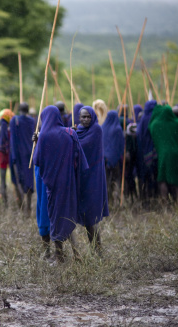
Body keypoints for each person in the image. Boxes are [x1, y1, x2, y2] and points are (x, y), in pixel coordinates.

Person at [33, 106, 88, 262]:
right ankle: (77, 254)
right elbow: (79, 157)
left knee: (55, 216)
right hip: (68, 182)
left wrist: (37, 142)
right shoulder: (69, 133)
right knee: (68, 215)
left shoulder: (43, 137)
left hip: (52, 184)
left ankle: (59, 255)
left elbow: (37, 161)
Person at [77, 107, 108, 253]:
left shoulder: (96, 130)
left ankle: (98, 249)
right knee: (86, 216)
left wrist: (70, 136)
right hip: (83, 177)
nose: (86, 120)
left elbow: (80, 146)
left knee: (91, 216)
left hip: (93, 178)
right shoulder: (78, 131)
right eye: (83, 117)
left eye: (88, 117)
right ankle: (95, 248)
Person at [148, 105, 178, 202]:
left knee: (163, 179)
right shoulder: (177, 123)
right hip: (177, 155)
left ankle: (165, 203)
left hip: (164, 155)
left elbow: (150, 127)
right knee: (176, 179)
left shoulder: (156, 125)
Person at [10, 103, 35, 215]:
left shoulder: (14, 120)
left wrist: (14, 156)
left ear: (19, 109)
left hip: (18, 155)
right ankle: (27, 207)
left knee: (18, 179)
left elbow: (13, 141)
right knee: (29, 179)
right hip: (29, 154)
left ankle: (23, 206)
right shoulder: (32, 121)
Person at [136, 100, 158, 204]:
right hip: (154, 151)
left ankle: (145, 198)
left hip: (142, 151)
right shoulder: (154, 118)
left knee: (144, 176)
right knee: (154, 175)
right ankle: (154, 197)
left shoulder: (143, 119)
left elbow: (139, 135)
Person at [102, 110, 124, 203]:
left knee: (107, 180)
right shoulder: (118, 129)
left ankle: (108, 200)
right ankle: (117, 199)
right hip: (115, 159)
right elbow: (120, 145)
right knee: (116, 179)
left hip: (105, 159)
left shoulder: (103, 127)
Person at [0, 109, 14, 206]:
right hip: (7, 155)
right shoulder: (9, 128)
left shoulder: (0, 128)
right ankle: (4, 200)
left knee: (3, 179)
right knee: (6, 179)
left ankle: (5, 200)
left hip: (3, 156)